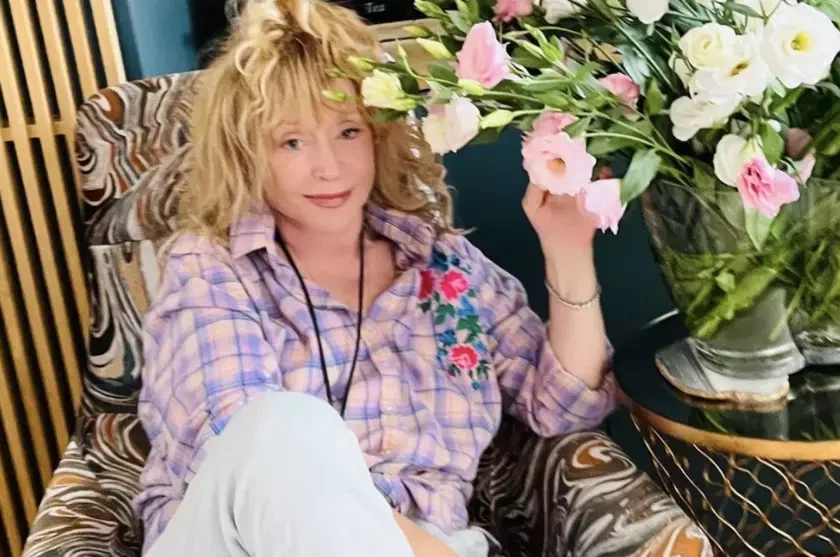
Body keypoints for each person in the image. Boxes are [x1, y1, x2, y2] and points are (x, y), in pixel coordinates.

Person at [135, 0, 617, 555]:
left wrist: (567, 249)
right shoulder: (213, 269)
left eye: (348, 131)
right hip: (234, 542)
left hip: (429, 542)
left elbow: (565, 408)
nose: (329, 167)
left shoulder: (443, 267)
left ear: (378, 135)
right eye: (292, 141)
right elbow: (240, 455)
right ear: (246, 155)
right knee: (286, 428)